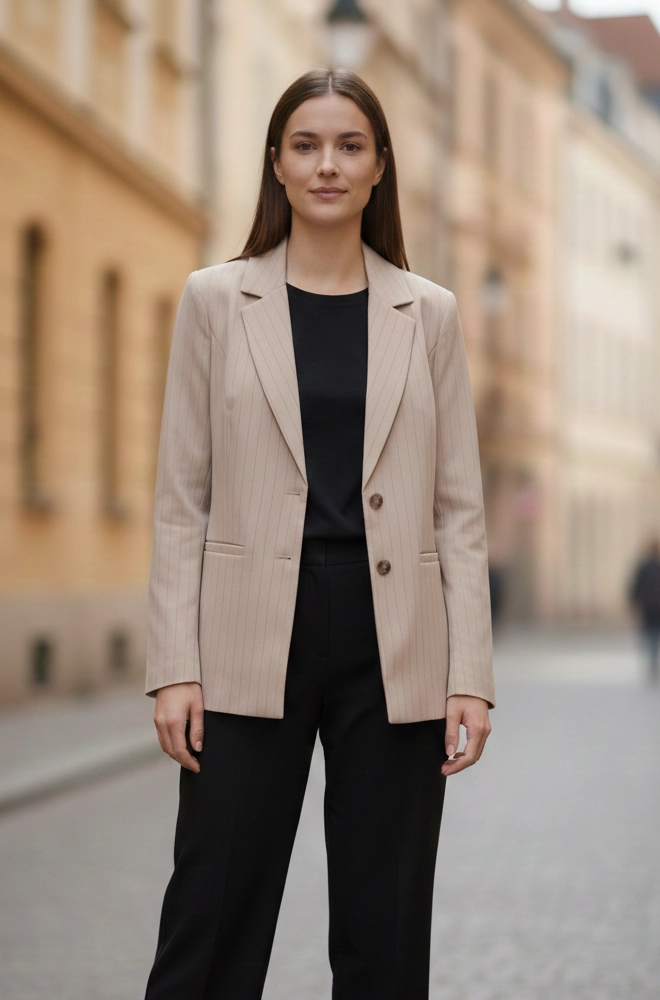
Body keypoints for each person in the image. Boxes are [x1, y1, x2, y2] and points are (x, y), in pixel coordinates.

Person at [143, 67, 496, 1000]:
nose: (327, 164)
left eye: (349, 146)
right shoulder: (216, 301)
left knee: (385, 937)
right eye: (306, 145)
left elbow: (458, 510)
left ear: (380, 167)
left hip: (396, 642)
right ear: (277, 165)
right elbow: (183, 497)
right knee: (211, 919)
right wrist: (175, 665)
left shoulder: (432, 314)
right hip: (249, 633)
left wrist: (471, 678)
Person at [628, 535, 660, 685]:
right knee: (655, 633)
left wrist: (633, 602)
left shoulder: (643, 566)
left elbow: (635, 586)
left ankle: (652, 659)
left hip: (647, 606)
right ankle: (653, 658)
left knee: (649, 634)